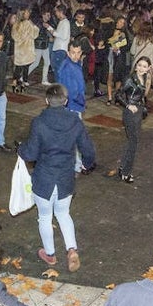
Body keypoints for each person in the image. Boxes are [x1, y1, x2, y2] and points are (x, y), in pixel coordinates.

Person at [19, 83, 97, 272]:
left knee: (44, 217)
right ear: (66, 100)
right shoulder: (75, 121)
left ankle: (50, 254)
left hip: (44, 178)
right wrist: (87, 163)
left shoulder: (39, 122)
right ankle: (71, 249)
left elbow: (30, 154)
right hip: (65, 178)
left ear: (46, 101)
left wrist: (20, 148)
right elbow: (88, 149)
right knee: (63, 213)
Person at [113, 57, 153, 183]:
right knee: (133, 142)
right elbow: (118, 95)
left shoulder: (145, 77)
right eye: (139, 65)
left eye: (144, 66)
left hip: (139, 112)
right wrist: (128, 105)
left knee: (132, 142)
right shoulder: (130, 79)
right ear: (135, 66)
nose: (141, 68)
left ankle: (123, 168)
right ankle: (125, 172)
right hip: (130, 113)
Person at [10, 7, 39, 93]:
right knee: (25, 66)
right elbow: (34, 35)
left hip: (19, 49)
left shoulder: (16, 24)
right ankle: (24, 81)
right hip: (26, 49)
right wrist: (35, 27)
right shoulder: (27, 23)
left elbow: (14, 36)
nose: (28, 14)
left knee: (18, 67)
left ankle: (15, 82)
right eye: (27, 13)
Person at [57, 40, 89, 115]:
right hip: (72, 107)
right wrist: (81, 102)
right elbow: (71, 91)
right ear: (68, 53)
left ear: (81, 52)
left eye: (78, 52)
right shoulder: (68, 67)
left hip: (74, 105)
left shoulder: (76, 64)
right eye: (73, 53)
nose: (76, 56)